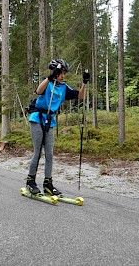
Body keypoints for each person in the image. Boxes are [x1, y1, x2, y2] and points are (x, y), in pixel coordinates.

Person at [26, 59, 90, 195]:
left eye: (64, 73)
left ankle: (48, 184)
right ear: (54, 72)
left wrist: (84, 83)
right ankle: (30, 182)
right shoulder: (48, 83)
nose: (63, 76)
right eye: (61, 73)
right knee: (37, 153)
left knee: (49, 154)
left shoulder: (64, 88)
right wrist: (50, 77)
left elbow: (80, 96)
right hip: (37, 119)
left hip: (50, 121)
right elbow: (38, 91)